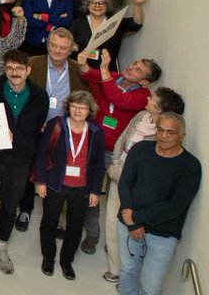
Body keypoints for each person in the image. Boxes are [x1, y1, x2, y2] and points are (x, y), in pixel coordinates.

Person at [0, 49, 48, 273]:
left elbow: (36, 127)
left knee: (10, 205)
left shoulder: (39, 96)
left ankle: (1, 246)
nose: (14, 73)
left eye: (19, 69)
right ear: (4, 69)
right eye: (10, 68)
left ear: (28, 70)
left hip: (20, 158)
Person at [79, 50, 161, 256]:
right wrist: (83, 65)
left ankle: (113, 239)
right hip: (95, 146)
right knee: (91, 194)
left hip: (119, 156)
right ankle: (92, 234)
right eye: (134, 62)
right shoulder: (115, 77)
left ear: (145, 82)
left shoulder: (143, 96)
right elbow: (91, 75)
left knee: (118, 199)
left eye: (138, 69)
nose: (132, 67)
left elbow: (119, 99)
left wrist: (104, 69)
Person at [103, 87, 185, 284]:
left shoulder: (162, 136)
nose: (148, 98)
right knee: (113, 221)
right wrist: (115, 164)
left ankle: (129, 273)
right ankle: (116, 269)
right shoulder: (141, 115)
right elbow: (122, 138)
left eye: (153, 98)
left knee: (131, 227)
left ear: (160, 108)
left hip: (137, 185)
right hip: (119, 174)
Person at [116, 112, 201, 295]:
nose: (163, 136)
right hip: (129, 224)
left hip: (162, 234)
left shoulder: (191, 166)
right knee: (128, 271)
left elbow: (177, 205)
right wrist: (133, 221)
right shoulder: (140, 149)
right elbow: (125, 183)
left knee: (151, 287)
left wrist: (138, 217)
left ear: (182, 136)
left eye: (170, 132)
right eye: (160, 130)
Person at [36, 90, 105, 279]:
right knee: (49, 221)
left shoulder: (96, 132)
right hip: (55, 183)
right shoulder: (56, 125)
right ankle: (48, 257)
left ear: (90, 110)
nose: (78, 111)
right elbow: (42, 153)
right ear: (68, 107)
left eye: (83, 108)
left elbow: (99, 164)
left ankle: (66, 260)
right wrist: (41, 180)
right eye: (75, 106)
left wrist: (95, 190)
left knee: (75, 226)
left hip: (82, 186)